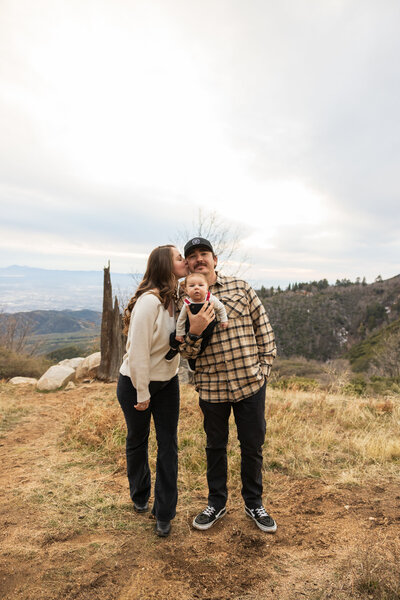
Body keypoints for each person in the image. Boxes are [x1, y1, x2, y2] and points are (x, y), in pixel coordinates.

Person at [178, 236, 278, 533]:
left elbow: (265, 330)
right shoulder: (184, 299)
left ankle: (254, 502)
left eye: (204, 253)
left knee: (252, 446)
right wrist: (195, 333)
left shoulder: (241, 288)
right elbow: (186, 352)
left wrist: (263, 371)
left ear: (215, 259)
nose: (199, 259)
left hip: (249, 383)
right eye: (192, 255)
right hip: (211, 387)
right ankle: (216, 503)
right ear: (187, 264)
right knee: (215, 447)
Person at [117, 244, 214, 538]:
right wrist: (142, 393)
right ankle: (139, 495)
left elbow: (176, 348)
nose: (185, 261)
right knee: (138, 439)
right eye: (178, 258)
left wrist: (196, 330)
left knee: (168, 445)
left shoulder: (178, 300)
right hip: (135, 382)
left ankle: (164, 513)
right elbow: (138, 354)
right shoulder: (149, 303)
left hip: (168, 384)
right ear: (165, 265)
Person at [165, 272, 228, 368]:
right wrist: (179, 333)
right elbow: (181, 320)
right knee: (174, 337)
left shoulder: (210, 298)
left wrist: (224, 320)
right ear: (186, 290)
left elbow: (221, 308)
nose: (196, 288)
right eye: (192, 286)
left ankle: (194, 360)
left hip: (208, 328)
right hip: (189, 327)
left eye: (201, 285)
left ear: (207, 288)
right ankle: (173, 349)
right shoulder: (187, 302)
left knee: (204, 344)